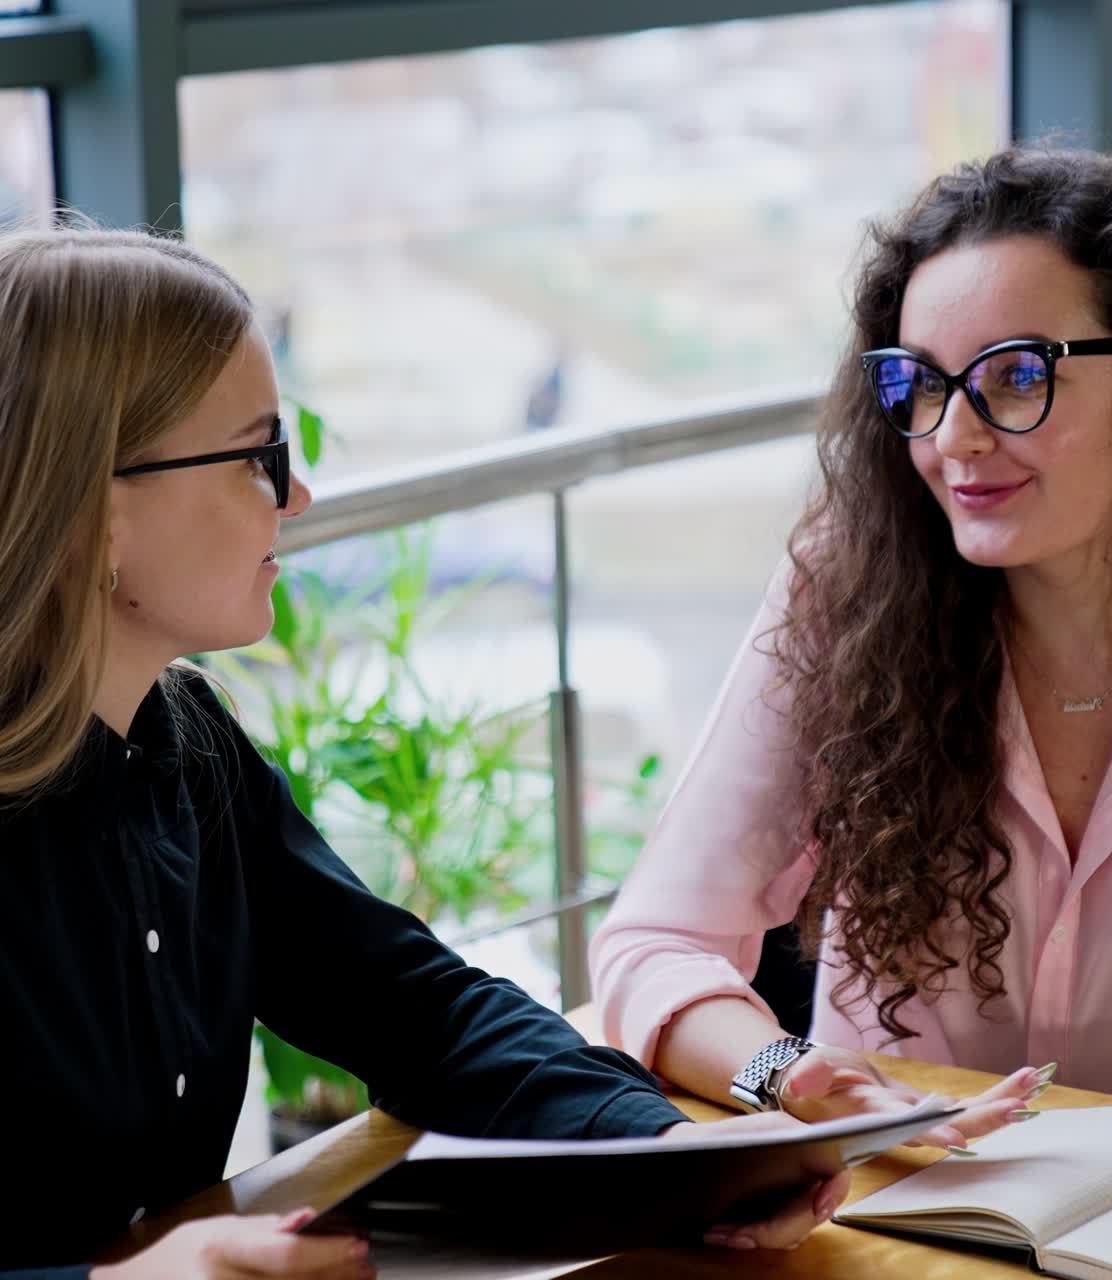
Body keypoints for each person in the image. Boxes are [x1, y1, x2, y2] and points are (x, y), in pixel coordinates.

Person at [0, 222, 984, 1279]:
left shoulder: (189, 754)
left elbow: (416, 1006)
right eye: (258, 455)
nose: (295, 498)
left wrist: (671, 1153)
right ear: (96, 507)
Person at [591, 145, 1112, 1155]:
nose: (950, 436)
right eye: (917, 383)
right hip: (901, 1213)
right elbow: (655, 943)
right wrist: (788, 1075)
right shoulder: (849, 595)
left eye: (1012, 377)